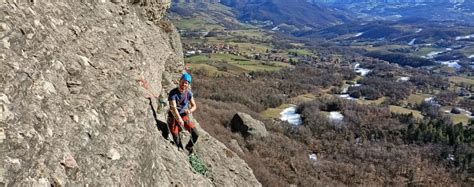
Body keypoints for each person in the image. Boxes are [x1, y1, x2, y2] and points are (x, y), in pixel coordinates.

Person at [167, 72, 198, 154]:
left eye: (186, 83)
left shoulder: (188, 93)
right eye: (183, 82)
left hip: (184, 116)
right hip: (173, 117)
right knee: (177, 141)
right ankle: (181, 149)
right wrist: (179, 119)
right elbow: (173, 108)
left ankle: (189, 146)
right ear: (180, 81)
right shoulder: (173, 93)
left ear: (188, 84)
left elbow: (194, 106)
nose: (184, 84)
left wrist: (190, 110)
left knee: (195, 134)